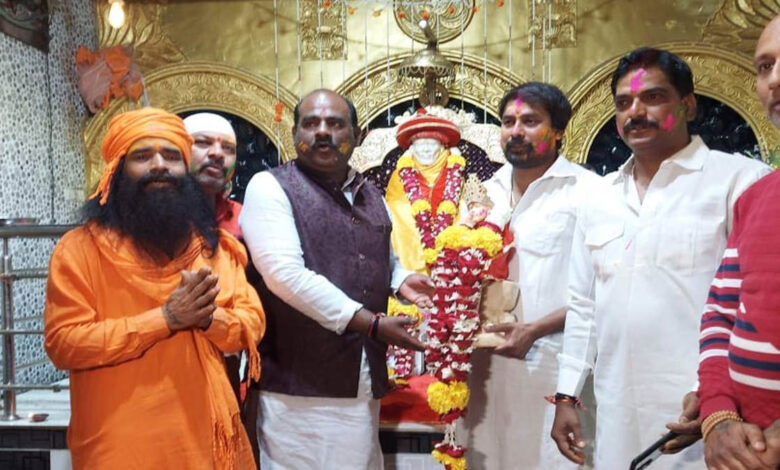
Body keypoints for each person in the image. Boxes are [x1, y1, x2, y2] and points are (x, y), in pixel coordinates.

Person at [550, 47, 771, 470]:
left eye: (652, 97)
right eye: (623, 103)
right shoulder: (597, 197)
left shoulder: (739, 182)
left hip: (711, 415)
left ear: (688, 105)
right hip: (615, 411)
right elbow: (583, 306)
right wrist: (566, 395)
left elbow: (755, 307)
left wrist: (717, 399)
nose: (635, 112)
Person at [44, 107, 266, 469]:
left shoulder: (214, 248)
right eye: (142, 156)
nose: (159, 165)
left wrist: (209, 319)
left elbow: (251, 324)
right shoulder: (80, 250)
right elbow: (65, 343)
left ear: (185, 171)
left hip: (207, 441)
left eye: (172, 156)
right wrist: (165, 319)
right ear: (117, 171)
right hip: (120, 445)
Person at [239, 89, 435, 469]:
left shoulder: (369, 192)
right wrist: (371, 323)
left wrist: (400, 280)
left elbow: (381, 254)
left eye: (335, 123)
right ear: (294, 134)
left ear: (358, 136)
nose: (322, 132)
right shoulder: (270, 187)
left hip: (361, 379)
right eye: (311, 123)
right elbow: (284, 275)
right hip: (297, 387)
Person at [457, 82, 602, 470]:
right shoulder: (482, 194)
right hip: (484, 368)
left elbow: (600, 291)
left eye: (530, 121)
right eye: (508, 122)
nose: (516, 131)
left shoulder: (588, 191)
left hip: (556, 364)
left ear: (558, 132)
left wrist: (534, 330)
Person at [698, 16, 780, 469]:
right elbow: (720, 312)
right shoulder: (757, 197)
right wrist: (717, 413)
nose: (775, 80)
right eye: (765, 66)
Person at [183, 112, 242, 239]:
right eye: (203, 142)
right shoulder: (152, 215)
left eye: (228, 148)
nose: (218, 153)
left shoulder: (243, 218)